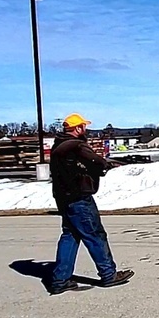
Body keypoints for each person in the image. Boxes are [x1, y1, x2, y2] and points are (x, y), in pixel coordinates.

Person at [48, 113, 134, 295]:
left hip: (63, 198)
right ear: (78, 128)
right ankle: (108, 274)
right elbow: (97, 161)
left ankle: (60, 280)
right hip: (79, 198)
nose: (85, 129)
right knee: (95, 235)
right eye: (83, 126)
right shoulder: (76, 145)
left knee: (70, 236)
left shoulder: (58, 147)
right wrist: (105, 166)